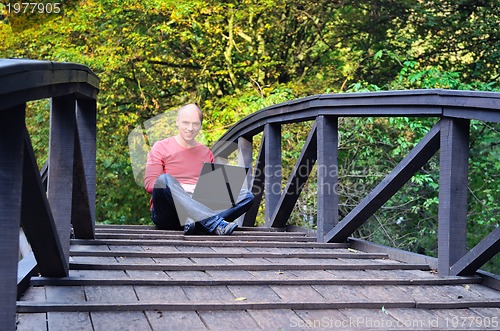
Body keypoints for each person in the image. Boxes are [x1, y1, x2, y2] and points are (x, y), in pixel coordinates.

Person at [144, 103, 254, 235]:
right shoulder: (160, 147)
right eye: (186, 123)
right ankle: (213, 223)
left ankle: (196, 223)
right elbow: (150, 184)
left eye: (195, 124)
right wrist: (185, 189)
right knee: (164, 180)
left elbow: (210, 192)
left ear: (200, 125)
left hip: (198, 207)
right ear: (177, 122)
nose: (190, 128)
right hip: (168, 212)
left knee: (246, 196)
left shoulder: (205, 152)